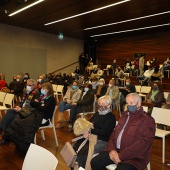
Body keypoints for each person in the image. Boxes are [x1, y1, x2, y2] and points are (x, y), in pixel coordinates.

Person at [91, 93, 155, 170]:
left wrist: (121, 156)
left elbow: (143, 143)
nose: (129, 105)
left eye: (131, 103)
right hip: (116, 151)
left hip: (134, 157)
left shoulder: (147, 120)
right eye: (127, 103)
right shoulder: (124, 116)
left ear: (139, 103)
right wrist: (112, 150)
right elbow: (114, 134)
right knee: (95, 162)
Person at [73, 95, 116, 168]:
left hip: (102, 141)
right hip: (91, 136)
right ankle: (75, 166)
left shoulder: (111, 117)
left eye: (103, 104)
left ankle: (82, 167)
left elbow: (104, 132)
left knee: (84, 152)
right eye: (99, 103)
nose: (100, 105)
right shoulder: (97, 113)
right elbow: (89, 124)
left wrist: (90, 130)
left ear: (108, 105)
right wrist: (86, 132)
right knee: (75, 146)